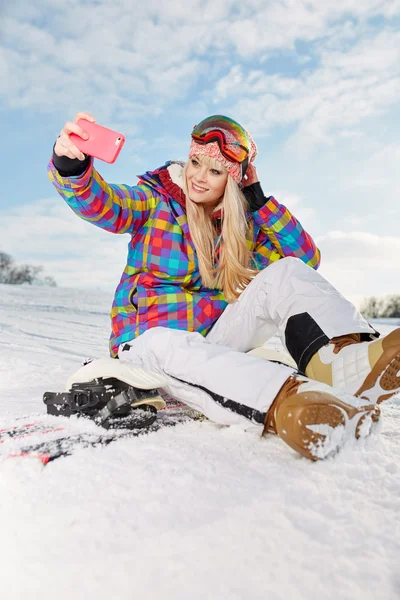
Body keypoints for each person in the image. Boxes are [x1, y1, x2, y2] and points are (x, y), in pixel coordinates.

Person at [48, 112, 400, 461]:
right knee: (164, 340)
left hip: (216, 341)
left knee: (285, 272)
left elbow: (306, 258)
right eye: (196, 162)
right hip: (149, 349)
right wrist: (71, 167)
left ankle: (341, 361)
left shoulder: (242, 226)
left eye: (215, 171)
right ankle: (294, 404)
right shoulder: (156, 199)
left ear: (232, 181)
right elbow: (105, 204)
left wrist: (259, 200)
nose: (199, 177)